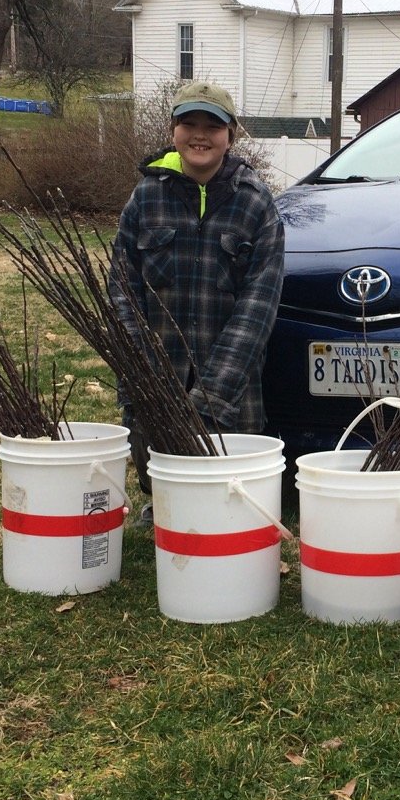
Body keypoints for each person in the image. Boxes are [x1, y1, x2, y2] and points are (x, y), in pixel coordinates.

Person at [109, 80, 285, 501]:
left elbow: (257, 310)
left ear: (231, 134)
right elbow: (122, 290)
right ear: (173, 129)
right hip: (156, 381)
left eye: (213, 124)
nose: (200, 134)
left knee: (223, 497)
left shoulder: (256, 205)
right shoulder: (146, 197)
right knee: (165, 490)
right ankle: (158, 506)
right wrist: (146, 375)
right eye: (189, 122)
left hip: (231, 398)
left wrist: (209, 397)